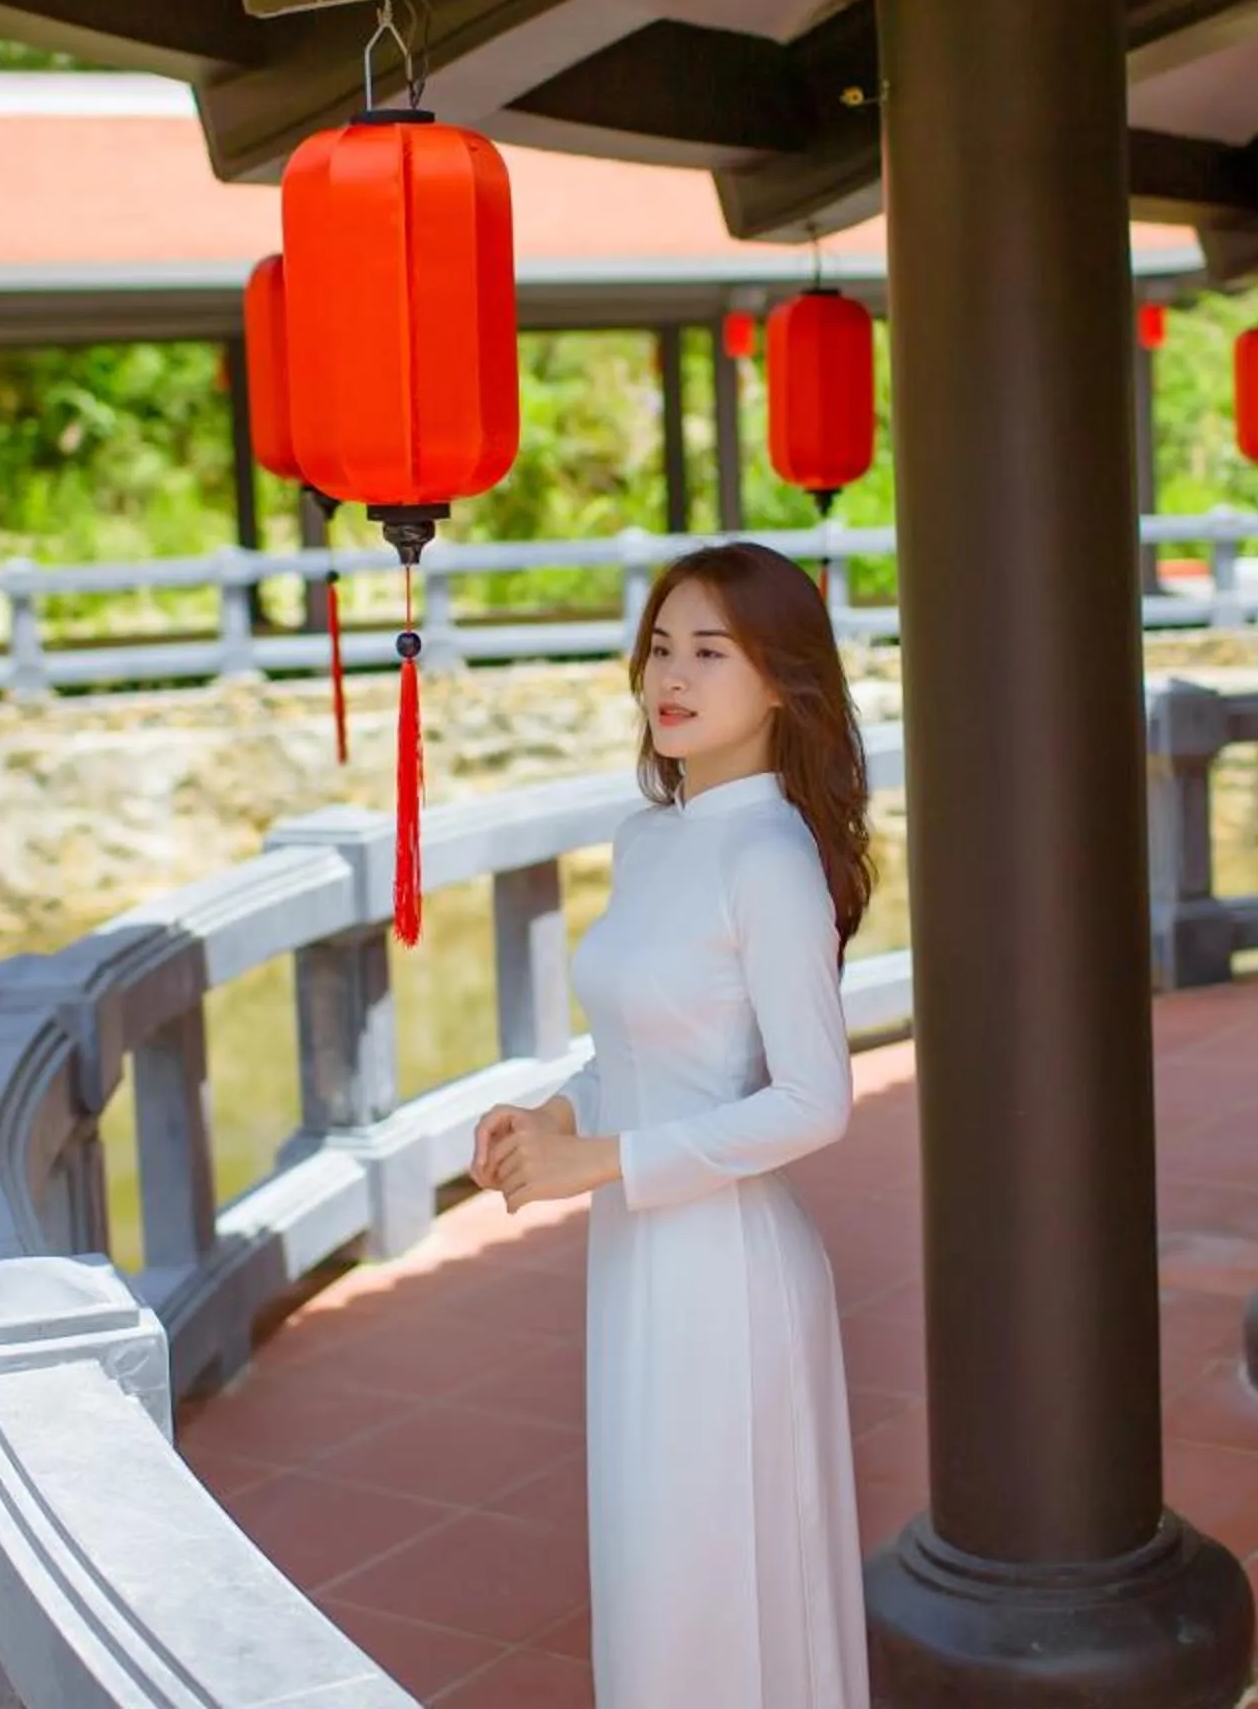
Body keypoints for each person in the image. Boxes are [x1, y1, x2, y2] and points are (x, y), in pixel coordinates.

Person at [469, 539, 877, 1709]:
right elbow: (640, 1050)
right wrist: (552, 1111)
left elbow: (814, 1098)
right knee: (655, 1569)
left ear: (784, 682)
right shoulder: (651, 834)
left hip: (728, 1275)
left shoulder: (769, 853)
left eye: (710, 649)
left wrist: (601, 1159)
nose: (671, 676)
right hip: (639, 1253)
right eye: (660, 645)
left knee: (720, 1582)